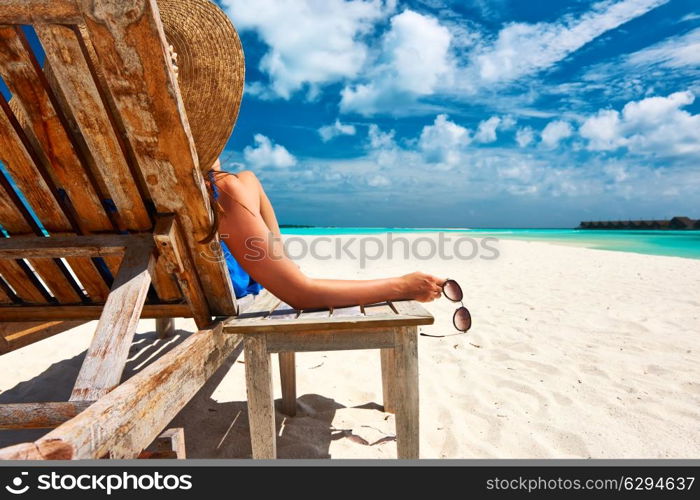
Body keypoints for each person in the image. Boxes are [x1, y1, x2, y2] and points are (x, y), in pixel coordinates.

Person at [205, 161, 445, 310]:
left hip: (175, 288)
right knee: (244, 180)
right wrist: (403, 286)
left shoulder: (183, 187)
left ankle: (283, 262)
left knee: (248, 177)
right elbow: (302, 295)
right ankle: (284, 265)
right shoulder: (223, 191)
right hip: (217, 288)